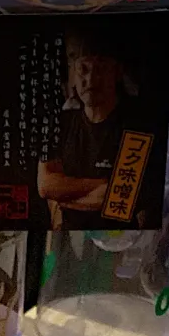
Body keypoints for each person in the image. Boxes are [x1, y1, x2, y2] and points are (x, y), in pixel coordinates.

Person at [37, 35, 138, 229]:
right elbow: (45, 185)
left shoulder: (136, 125)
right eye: (83, 69)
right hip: (65, 232)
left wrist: (64, 197)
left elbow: (119, 200)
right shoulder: (59, 121)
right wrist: (100, 184)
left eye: (100, 69)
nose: (91, 80)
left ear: (117, 72)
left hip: (118, 235)